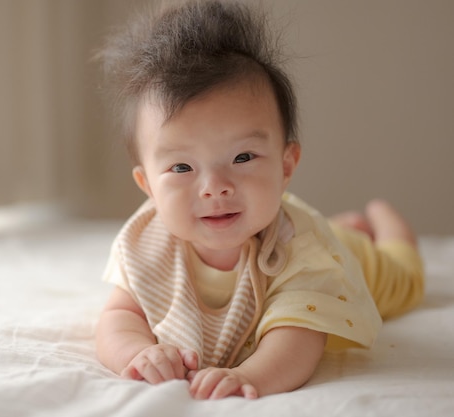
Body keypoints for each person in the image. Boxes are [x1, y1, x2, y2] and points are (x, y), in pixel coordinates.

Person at [94, 0, 424, 400]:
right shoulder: (147, 243)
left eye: (243, 157)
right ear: (147, 185)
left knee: (405, 280)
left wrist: (251, 375)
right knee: (329, 230)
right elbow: (119, 316)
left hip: (348, 260)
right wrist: (139, 352)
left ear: (286, 166)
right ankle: (346, 224)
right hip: (307, 228)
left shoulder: (306, 252)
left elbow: (298, 337)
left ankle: (385, 221)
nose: (214, 187)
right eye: (182, 168)